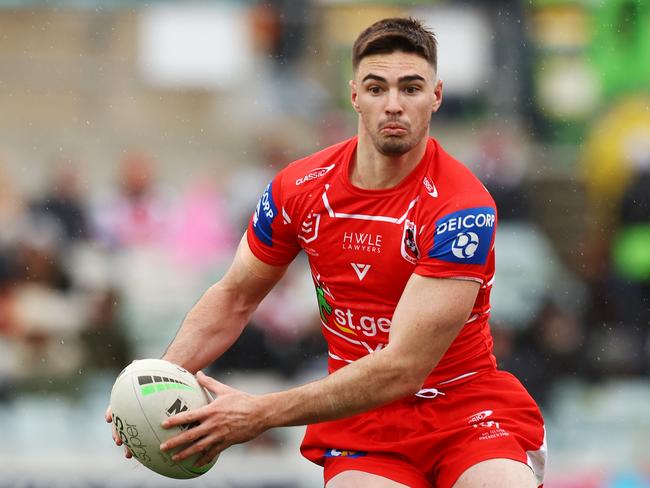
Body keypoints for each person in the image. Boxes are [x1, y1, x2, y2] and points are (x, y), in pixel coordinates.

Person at [106, 17, 546, 488]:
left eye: (411, 88)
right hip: (365, 422)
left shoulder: (463, 207)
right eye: (377, 89)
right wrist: (155, 385)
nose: (393, 105)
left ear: (436, 96)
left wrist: (260, 412)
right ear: (355, 94)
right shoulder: (298, 188)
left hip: (466, 409)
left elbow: (403, 369)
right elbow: (235, 296)